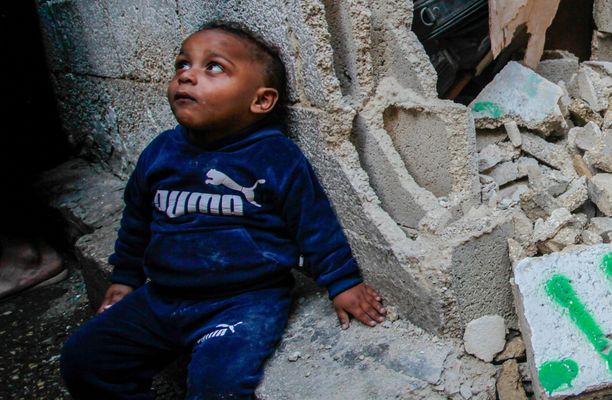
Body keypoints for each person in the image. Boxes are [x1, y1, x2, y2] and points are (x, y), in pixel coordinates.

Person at [59, 20, 386, 399]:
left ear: (261, 100)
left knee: (218, 386)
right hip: (163, 296)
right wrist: (125, 278)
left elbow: (314, 223)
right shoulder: (162, 151)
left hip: (242, 303)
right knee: (83, 358)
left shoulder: (274, 156)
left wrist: (341, 282)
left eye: (213, 67)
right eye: (182, 65)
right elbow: (137, 220)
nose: (187, 77)